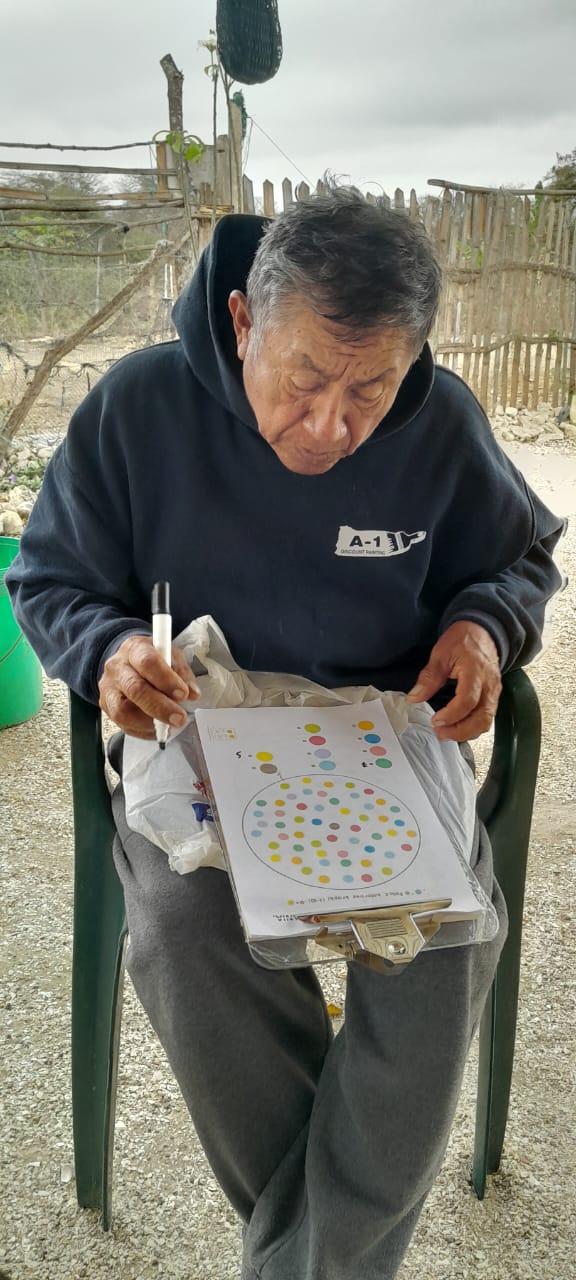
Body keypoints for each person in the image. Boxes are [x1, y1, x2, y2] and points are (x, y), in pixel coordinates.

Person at [7, 189, 564, 1280]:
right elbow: (50, 577)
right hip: (200, 717)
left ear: (413, 361)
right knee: (186, 932)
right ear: (242, 322)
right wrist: (110, 649)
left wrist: (485, 625)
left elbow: (519, 559)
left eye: (370, 390)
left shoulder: (442, 423)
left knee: (448, 940)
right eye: (304, 377)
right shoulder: (137, 409)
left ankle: (303, 1263)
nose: (330, 425)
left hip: (379, 729)